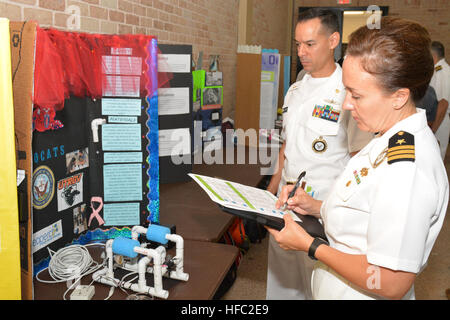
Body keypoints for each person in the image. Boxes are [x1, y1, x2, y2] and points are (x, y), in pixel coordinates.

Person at [268, 17, 449, 300]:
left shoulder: (407, 168)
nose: (345, 104)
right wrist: (315, 207)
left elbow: (391, 281)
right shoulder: (385, 138)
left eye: (356, 95)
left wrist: (310, 246)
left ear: (399, 97)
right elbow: (364, 212)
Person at [265, 8, 373, 300]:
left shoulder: (348, 92)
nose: (302, 51)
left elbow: (361, 158)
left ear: (333, 40)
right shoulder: (295, 89)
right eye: (298, 44)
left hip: (323, 214)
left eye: (310, 44)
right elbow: (287, 146)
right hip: (286, 205)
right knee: (283, 287)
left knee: (320, 286)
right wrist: (269, 193)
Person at [430, 41, 450, 159]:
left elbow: (443, 103)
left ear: (433, 56)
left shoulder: (442, 72)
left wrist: (433, 130)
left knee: (436, 157)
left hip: (440, 120)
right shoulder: (438, 70)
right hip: (436, 118)